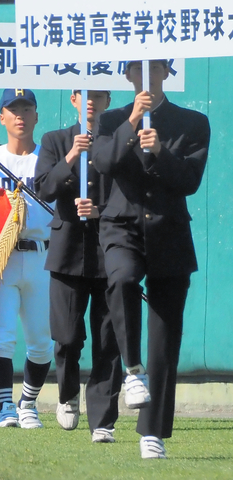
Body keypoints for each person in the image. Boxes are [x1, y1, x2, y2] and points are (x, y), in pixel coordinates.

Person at [92, 60, 210, 459]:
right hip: (121, 227)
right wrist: (132, 121)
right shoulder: (109, 119)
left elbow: (190, 180)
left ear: (167, 73)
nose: (146, 76)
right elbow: (105, 162)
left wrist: (159, 151)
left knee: (164, 337)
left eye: (155, 68)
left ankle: (152, 432)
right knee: (122, 279)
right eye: (138, 70)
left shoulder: (192, 122)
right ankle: (131, 369)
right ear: (126, 76)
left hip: (169, 231)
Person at [35, 90, 122, 442]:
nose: (90, 101)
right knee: (68, 336)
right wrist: (72, 156)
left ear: (107, 99)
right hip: (68, 252)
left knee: (108, 339)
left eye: (97, 95)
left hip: (110, 252)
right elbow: (44, 188)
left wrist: (102, 212)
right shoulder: (55, 140)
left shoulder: (118, 143)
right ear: (72, 98)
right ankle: (68, 394)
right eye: (83, 94)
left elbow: (129, 194)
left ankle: (102, 420)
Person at [0, 89, 53, 428]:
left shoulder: (48, 160)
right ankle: (6, 407)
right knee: (1, 338)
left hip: (42, 256)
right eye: (13, 109)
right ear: (1, 117)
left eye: (27, 108)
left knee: (41, 343)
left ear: (36, 116)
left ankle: (28, 403)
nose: (20, 115)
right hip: (2, 259)